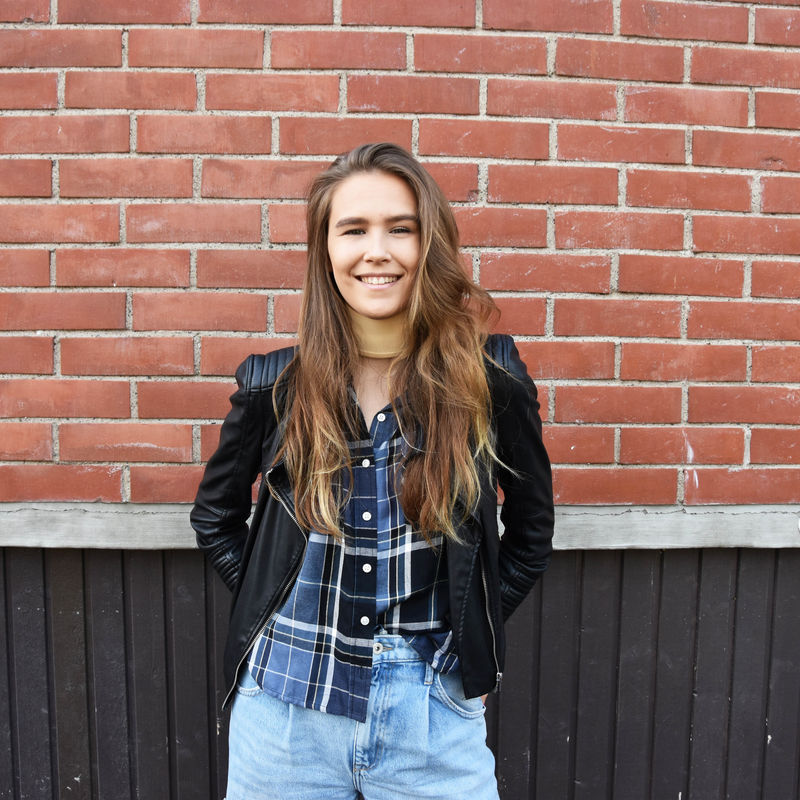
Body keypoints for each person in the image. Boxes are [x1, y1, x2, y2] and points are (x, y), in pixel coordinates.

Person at [191, 142, 554, 800]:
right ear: (326, 251)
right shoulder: (272, 384)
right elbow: (215, 517)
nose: (376, 251)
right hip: (284, 712)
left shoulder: (490, 378)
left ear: (430, 243)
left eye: (400, 229)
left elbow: (531, 530)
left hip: (432, 713)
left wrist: (466, 628)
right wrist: (271, 600)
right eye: (353, 229)